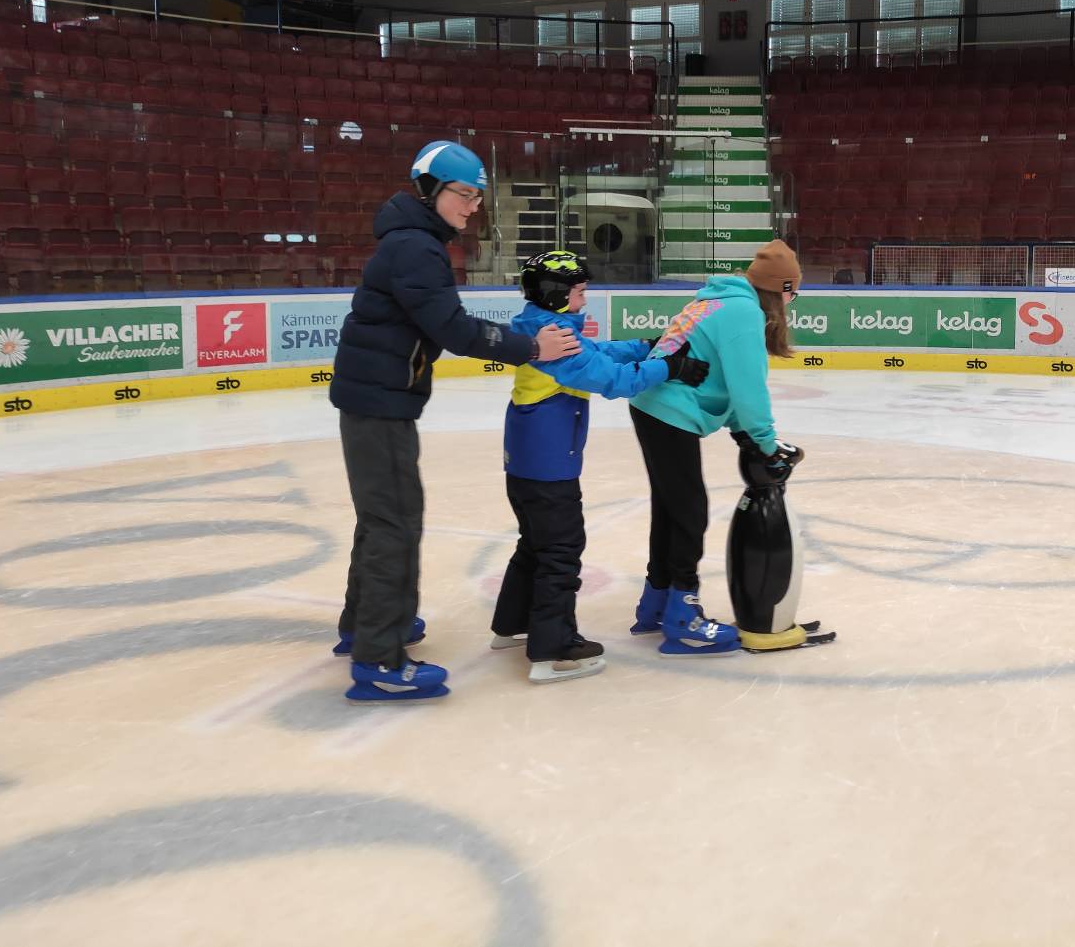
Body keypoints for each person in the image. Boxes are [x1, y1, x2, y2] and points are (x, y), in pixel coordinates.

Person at [329, 140, 582, 703]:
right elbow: (455, 329)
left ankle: (364, 626)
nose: (473, 207)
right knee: (395, 522)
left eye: (477, 197)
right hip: (379, 402)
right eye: (463, 195)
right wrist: (531, 348)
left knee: (381, 519)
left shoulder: (413, 242)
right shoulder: (417, 250)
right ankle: (379, 659)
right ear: (429, 190)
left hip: (376, 397)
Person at [490, 250, 710, 683]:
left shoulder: (544, 327)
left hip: (528, 462)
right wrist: (670, 366)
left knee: (535, 544)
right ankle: (554, 649)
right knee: (560, 550)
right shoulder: (556, 340)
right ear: (556, 294)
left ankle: (512, 624)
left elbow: (601, 352)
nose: (584, 300)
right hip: (548, 465)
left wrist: (645, 346)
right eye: (578, 292)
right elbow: (615, 380)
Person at [627, 240, 806, 655]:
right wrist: (763, 440)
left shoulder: (719, 301)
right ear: (780, 289)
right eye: (792, 292)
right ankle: (682, 616)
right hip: (670, 411)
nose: (791, 301)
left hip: (653, 406)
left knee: (671, 511)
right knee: (690, 514)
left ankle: (655, 602)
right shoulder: (744, 312)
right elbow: (747, 386)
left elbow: (719, 380)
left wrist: (743, 431)